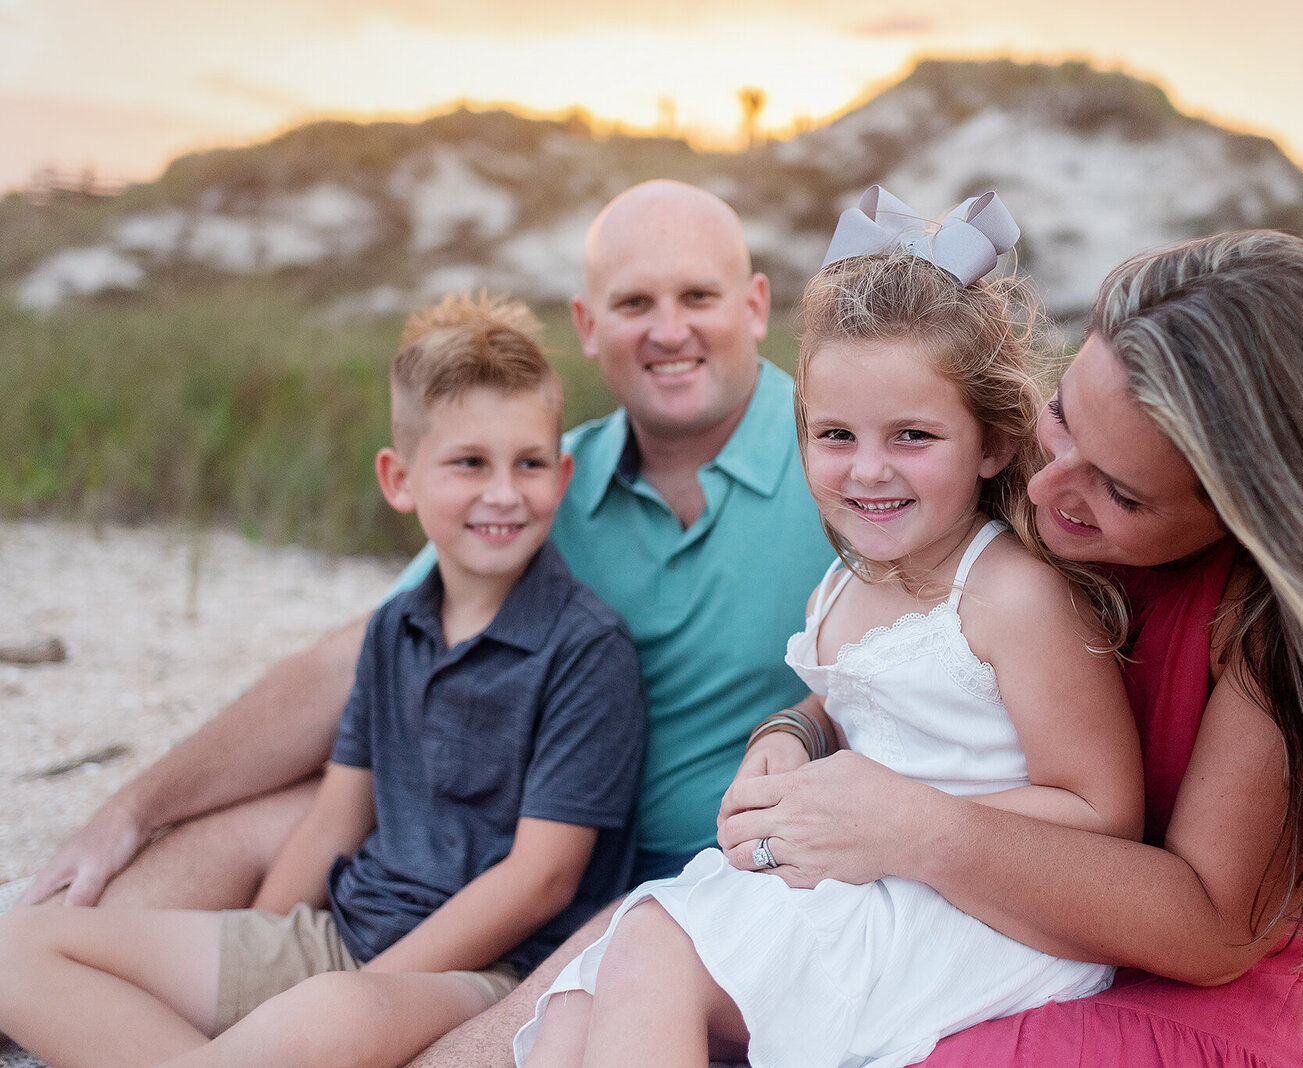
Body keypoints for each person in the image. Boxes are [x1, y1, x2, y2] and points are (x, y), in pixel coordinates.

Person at [16, 180, 835, 1066]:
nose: (667, 330)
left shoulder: (840, 467)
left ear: (755, 306)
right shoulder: (546, 481)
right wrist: (134, 808)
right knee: (239, 827)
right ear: (588, 325)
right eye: (634, 302)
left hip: (672, 884)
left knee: (437, 1026)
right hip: (477, 833)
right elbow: (356, 666)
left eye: (697, 297)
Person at [719, 229, 1303, 1065]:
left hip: (1223, 993)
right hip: (1029, 926)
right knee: (649, 962)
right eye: (1062, 416)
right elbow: (909, 671)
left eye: (1120, 491)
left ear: (1246, 518)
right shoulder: (1027, 504)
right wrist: (797, 732)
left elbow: (1213, 930)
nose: (1050, 491)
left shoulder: (1277, 624)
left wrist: (919, 831)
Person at [517, 198, 1146, 1068]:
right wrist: (790, 734)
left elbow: (1104, 811)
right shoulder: (856, 573)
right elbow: (863, 695)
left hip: (976, 912)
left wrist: (890, 819)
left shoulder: (1014, 596)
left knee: (653, 945)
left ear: (993, 443)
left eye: (913, 436)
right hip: (866, 873)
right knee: (574, 1008)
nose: (869, 469)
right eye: (836, 435)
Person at [0, 293, 647, 1067]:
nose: (504, 492)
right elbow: (332, 824)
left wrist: (362, 988)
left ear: (562, 473)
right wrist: (258, 952)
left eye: (529, 463)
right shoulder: (393, 628)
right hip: (341, 931)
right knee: (20, 949)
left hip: (476, 973)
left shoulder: (585, 648)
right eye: (469, 462)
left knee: (322, 1018)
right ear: (399, 478)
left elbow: (539, 881)